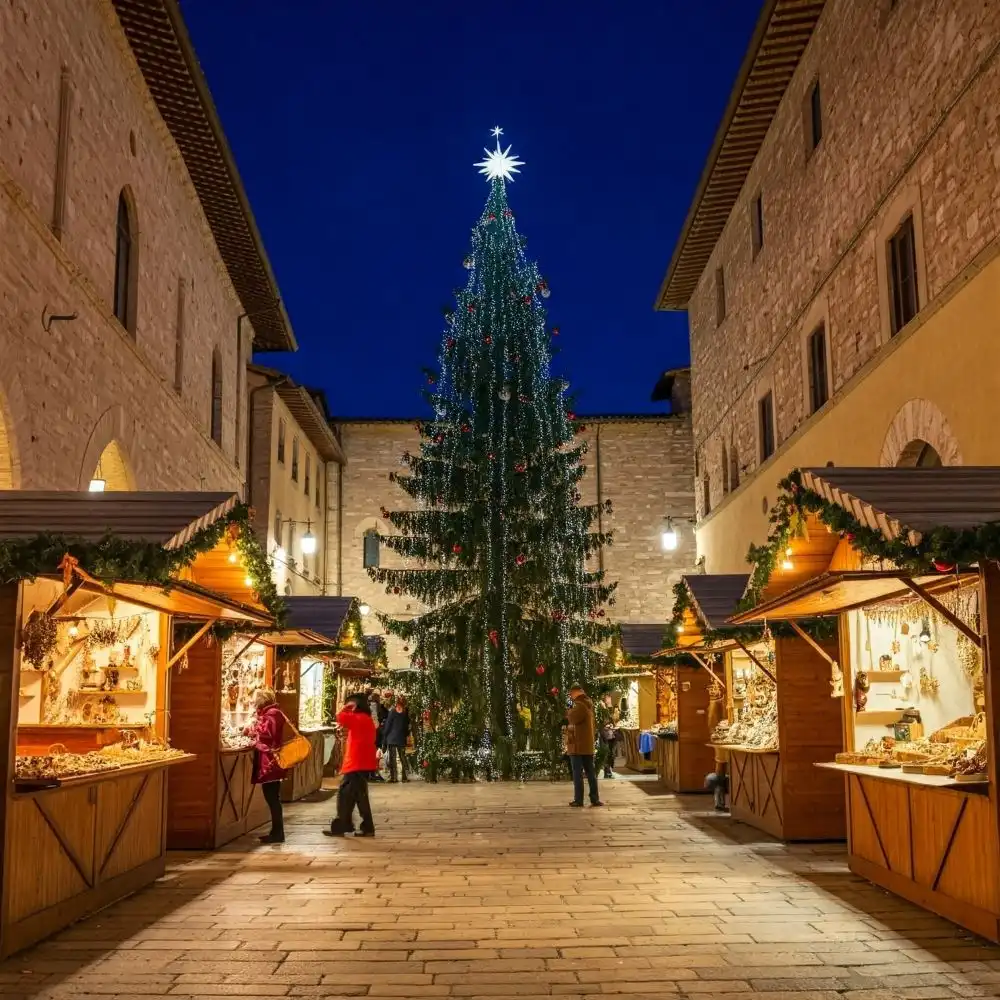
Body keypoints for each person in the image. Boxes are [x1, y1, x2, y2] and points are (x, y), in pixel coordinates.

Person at [325, 693, 378, 837]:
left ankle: (360, 826)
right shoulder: (366, 719)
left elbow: (340, 716)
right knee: (354, 795)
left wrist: (346, 707)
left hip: (356, 763)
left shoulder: (358, 718)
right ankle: (347, 824)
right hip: (361, 763)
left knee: (353, 795)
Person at [248, 688, 287, 844]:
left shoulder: (272, 714)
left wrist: (252, 730)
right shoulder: (272, 713)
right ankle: (276, 831)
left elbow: (267, 734)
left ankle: (278, 833)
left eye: (255, 700)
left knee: (272, 798)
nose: (253, 702)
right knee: (273, 798)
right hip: (271, 761)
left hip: (270, 762)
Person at [565, 683, 603, 808]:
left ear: (576, 692)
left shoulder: (580, 705)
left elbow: (572, 718)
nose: (571, 697)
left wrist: (568, 711)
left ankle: (579, 799)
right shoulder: (588, 703)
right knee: (590, 773)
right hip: (586, 745)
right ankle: (594, 798)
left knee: (577, 773)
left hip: (578, 745)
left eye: (571, 694)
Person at [382, 697, 411, 783]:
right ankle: (404, 777)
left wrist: (384, 735)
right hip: (401, 738)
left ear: (396, 704)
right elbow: (406, 727)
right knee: (402, 757)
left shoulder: (392, 712)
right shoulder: (405, 713)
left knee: (392, 758)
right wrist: (405, 735)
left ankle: (393, 778)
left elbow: (388, 725)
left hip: (392, 738)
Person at [597, 692, 621, 779]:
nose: (609, 699)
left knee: (612, 753)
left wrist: (613, 724)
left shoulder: (612, 708)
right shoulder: (601, 710)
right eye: (608, 698)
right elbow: (599, 722)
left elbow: (615, 719)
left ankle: (609, 769)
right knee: (607, 752)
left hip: (613, 734)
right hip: (605, 734)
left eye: (609, 698)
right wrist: (605, 725)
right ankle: (607, 771)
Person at [369, 691, 388, 781]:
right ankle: (374, 772)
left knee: (371, 754)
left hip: (371, 734)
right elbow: (384, 717)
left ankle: (371, 772)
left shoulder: (369, 707)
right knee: (376, 754)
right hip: (377, 733)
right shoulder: (380, 707)